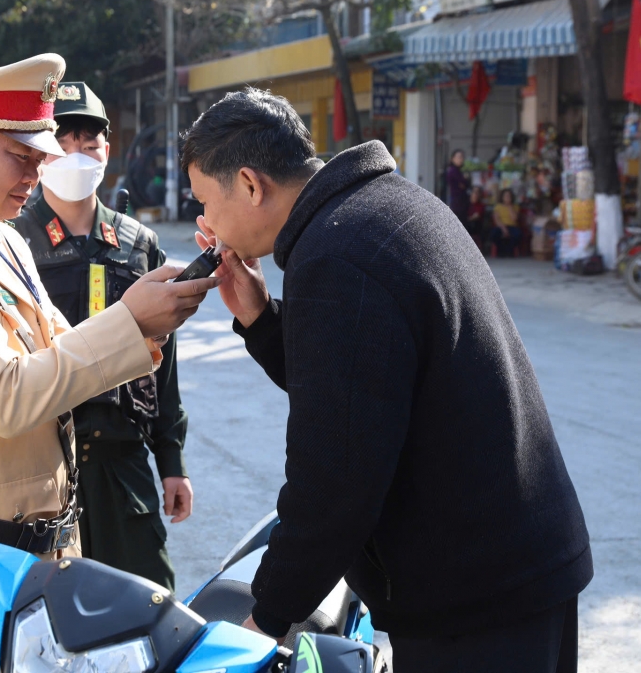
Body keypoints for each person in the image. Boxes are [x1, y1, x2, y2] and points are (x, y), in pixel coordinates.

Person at [182, 89, 591, 673]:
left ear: (250, 184)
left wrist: (267, 615)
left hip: (477, 603)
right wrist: (261, 321)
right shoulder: (381, 208)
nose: (205, 223)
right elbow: (361, 396)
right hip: (518, 570)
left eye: (205, 201)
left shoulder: (336, 258)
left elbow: (336, 477)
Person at [0, 55, 218, 673]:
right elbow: (6, 397)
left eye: (40, 157)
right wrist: (130, 320)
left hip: (30, 561)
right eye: (21, 157)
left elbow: (60, 350)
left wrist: (148, 321)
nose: (38, 173)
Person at [14, 82, 190, 591]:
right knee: (46, 627)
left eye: (89, 144)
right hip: (42, 466)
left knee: (148, 611)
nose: (77, 156)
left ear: (106, 153)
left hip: (122, 465)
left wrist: (172, 462)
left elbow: (165, 365)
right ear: (42, 153)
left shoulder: (139, 245)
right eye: (63, 144)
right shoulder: (11, 242)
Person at [491, 188, 522, 256]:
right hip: (501, 226)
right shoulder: (498, 207)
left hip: (512, 226)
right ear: (502, 197)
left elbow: (514, 219)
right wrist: (504, 229)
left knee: (517, 234)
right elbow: (497, 220)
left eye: (509, 196)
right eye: (506, 196)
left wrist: (510, 207)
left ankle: (509, 252)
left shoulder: (515, 207)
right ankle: (501, 251)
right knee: (494, 234)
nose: (507, 198)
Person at [444, 149, 469, 223]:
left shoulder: (459, 170)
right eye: (458, 157)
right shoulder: (452, 171)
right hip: (457, 202)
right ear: (452, 159)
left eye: (462, 157)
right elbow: (463, 184)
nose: (460, 159)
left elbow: (465, 184)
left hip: (462, 201)